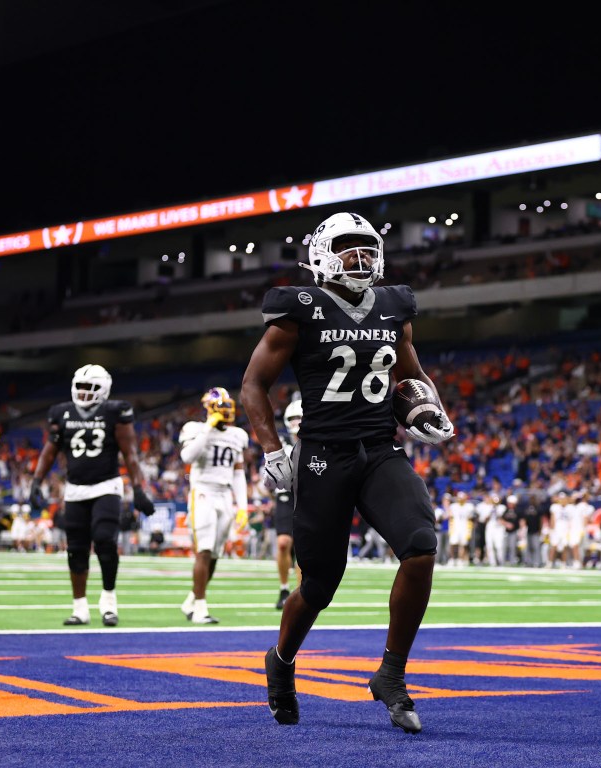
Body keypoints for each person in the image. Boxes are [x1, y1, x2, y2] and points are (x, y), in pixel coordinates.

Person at [240, 211, 455, 733]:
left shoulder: (393, 306)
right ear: (321, 254)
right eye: (347, 248)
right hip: (323, 454)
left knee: (422, 544)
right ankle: (282, 660)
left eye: (366, 248)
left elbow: (410, 375)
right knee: (320, 584)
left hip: (379, 449)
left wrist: (424, 406)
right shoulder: (299, 308)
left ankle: (392, 673)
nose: (359, 258)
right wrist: (272, 450)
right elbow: (252, 386)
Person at [30, 364, 154, 627]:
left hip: (106, 486)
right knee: (76, 550)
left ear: (104, 390)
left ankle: (108, 602)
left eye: (91, 388)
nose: (85, 393)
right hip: (74, 488)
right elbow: (49, 451)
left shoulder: (115, 412)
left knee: (104, 541)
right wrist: (36, 482)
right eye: (81, 387)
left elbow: (130, 454)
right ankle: (80, 608)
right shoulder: (61, 412)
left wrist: (139, 490)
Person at [177, 386, 249, 625]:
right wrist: (208, 428)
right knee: (204, 551)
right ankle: (200, 609)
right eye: (221, 408)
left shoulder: (237, 435)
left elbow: (238, 473)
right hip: (203, 494)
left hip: (225, 496)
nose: (225, 413)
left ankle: (192, 600)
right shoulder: (195, 429)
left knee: (215, 554)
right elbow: (187, 457)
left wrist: (242, 506)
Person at [273, 398, 302, 609]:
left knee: (303, 548)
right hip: (285, 494)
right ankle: (284, 587)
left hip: (307, 495)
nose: (296, 422)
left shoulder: (317, 443)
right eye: (293, 418)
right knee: (283, 543)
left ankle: (300, 595)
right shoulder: (281, 446)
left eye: (300, 418)